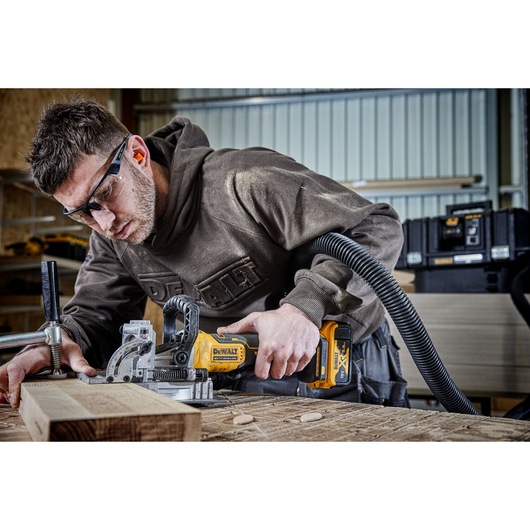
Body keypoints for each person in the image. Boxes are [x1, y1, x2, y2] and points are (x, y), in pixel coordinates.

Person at [0, 98, 409, 408]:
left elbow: (377, 227)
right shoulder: (114, 236)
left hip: (338, 366)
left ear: (138, 155)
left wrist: (303, 308)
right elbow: (96, 314)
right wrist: (54, 344)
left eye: (105, 194)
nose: (103, 223)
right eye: (82, 213)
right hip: (236, 380)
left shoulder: (244, 183)